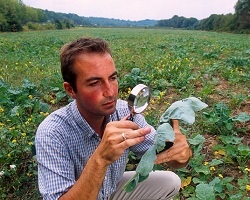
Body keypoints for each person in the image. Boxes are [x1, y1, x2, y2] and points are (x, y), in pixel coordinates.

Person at [35, 37, 192, 200]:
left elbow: (165, 154)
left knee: (170, 181)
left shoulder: (126, 111)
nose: (110, 92)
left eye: (112, 78)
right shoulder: (52, 132)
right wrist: (100, 159)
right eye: (95, 83)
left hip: (110, 190)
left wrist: (180, 153)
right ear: (71, 90)